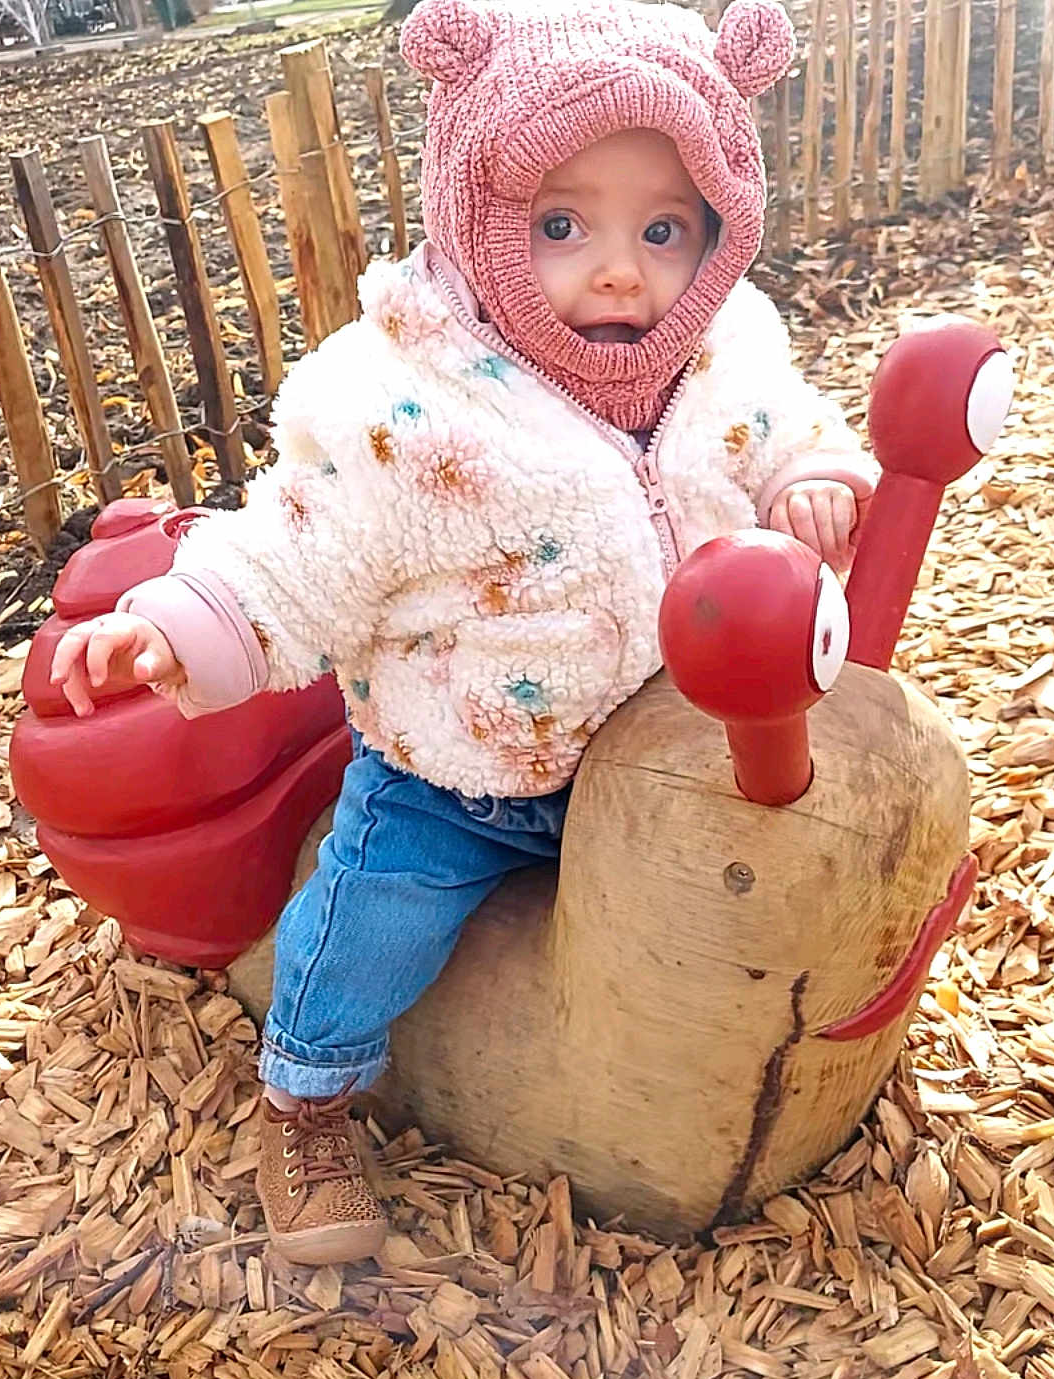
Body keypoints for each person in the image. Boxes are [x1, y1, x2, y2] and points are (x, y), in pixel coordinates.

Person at [49, 0, 877, 1265]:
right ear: (479, 213)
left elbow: (788, 427)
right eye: (561, 226)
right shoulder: (404, 400)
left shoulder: (724, 347)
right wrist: (188, 620)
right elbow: (301, 541)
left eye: (664, 230)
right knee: (373, 916)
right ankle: (307, 1096)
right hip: (466, 769)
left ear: (720, 224)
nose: (618, 270)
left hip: (667, 755)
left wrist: (814, 477)